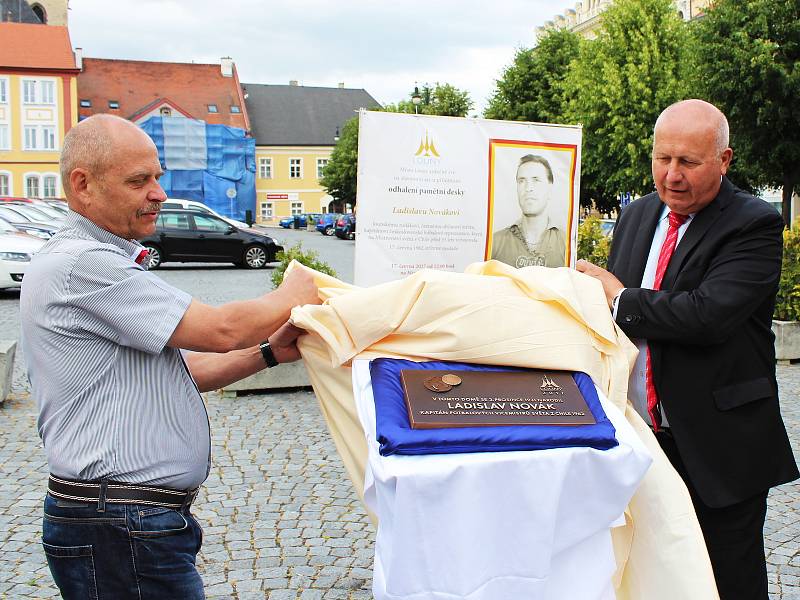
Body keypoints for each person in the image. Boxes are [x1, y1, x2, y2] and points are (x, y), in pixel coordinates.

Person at [20, 114, 319, 599]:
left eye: (157, 177)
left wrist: (268, 354)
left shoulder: (101, 262)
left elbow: (186, 370)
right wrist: (292, 292)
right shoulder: (83, 263)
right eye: (139, 181)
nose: (158, 193)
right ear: (83, 185)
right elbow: (221, 330)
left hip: (130, 521)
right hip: (118, 523)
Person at [577, 99, 798, 600]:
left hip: (718, 442)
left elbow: (706, 316)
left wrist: (619, 297)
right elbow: (618, 320)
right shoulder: (636, 216)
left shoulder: (754, 224)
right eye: (662, 159)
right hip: (641, 435)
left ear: (724, 160)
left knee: (727, 576)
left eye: (689, 162)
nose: (672, 175)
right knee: (650, 570)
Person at [491, 154, 566, 268]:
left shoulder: (567, 244)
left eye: (536, 180)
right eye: (522, 181)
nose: (528, 188)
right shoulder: (495, 243)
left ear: (550, 188)